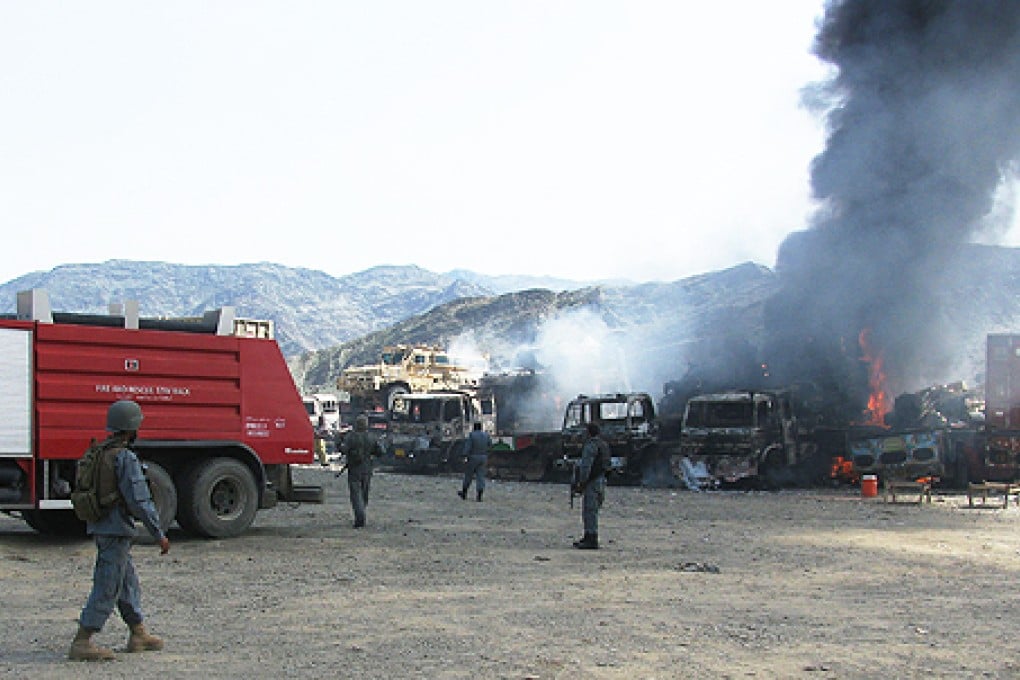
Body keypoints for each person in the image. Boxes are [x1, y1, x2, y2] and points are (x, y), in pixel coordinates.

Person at [69, 399, 170, 661]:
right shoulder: (124, 457)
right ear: (132, 428)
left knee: (127, 583)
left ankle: (138, 632)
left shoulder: (101, 452)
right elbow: (139, 500)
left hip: (105, 526)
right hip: (115, 530)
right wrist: (158, 533)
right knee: (107, 585)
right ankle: (83, 640)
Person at [340, 413, 384, 528]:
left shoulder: (351, 437)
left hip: (354, 469)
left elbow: (343, 449)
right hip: (367, 469)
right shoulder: (372, 437)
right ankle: (361, 513)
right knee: (364, 494)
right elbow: (380, 452)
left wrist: (339, 441)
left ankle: (360, 517)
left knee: (355, 494)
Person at [572, 423, 611, 550]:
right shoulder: (603, 445)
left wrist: (581, 482)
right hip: (601, 480)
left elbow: (586, 466)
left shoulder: (591, 446)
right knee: (593, 510)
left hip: (592, 481)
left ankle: (591, 538)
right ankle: (588, 536)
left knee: (589, 511)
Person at [458, 421, 492, 502]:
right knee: (481, 476)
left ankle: (464, 492)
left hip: (473, 457)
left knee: (468, 475)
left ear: (474, 427)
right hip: (483, 457)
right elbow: (490, 445)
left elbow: (468, 447)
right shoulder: (486, 435)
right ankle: (479, 496)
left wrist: (464, 455)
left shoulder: (472, 435)